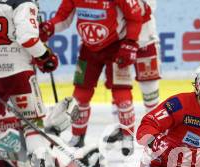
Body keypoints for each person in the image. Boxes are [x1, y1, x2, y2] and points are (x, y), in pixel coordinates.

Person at [38, 0, 144, 156]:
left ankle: (127, 136)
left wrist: (130, 43)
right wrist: (50, 26)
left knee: (122, 94)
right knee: (80, 94)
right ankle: (77, 136)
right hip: (88, 49)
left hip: (117, 47)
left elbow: (134, 16)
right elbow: (63, 17)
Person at [0, 0, 59, 167]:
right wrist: (46, 56)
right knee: (32, 122)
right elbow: (28, 39)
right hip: (19, 73)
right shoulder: (23, 4)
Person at [0, 97, 103, 167]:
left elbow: (35, 118)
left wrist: (56, 116)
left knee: (44, 138)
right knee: (18, 144)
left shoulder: (15, 84)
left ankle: (75, 160)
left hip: (22, 133)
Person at [105, 0, 161, 147]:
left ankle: (155, 129)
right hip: (120, 43)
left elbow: (145, 9)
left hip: (145, 41)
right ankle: (120, 127)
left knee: (150, 89)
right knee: (119, 86)